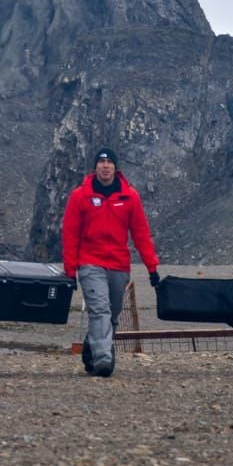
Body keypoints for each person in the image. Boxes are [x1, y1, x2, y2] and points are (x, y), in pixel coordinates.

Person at [61, 147, 160, 377]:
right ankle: (103, 359)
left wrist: (152, 267)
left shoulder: (130, 197)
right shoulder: (80, 196)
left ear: (116, 167)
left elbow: (141, 234)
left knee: (112, 313)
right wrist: (70, 270)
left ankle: (92, 344)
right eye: (101, 162)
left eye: (109, 162)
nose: (105, 166)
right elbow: (70, 233)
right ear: (95, 167)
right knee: (100, 310)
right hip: (90, 262)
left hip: (118, 264)